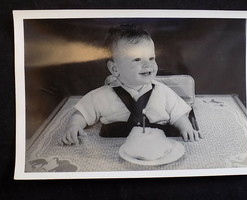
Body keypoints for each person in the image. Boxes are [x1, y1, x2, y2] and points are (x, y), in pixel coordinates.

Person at [60, 24, 202, 145]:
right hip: (116, 147)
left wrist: (186, 128)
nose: (148, 64)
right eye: (137, 59)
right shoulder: (102, 96)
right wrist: (74, 126)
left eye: (151, 58)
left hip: (157, 144)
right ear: (115, 68)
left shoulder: (163, 92)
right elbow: (81, 114)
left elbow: (179, 115)